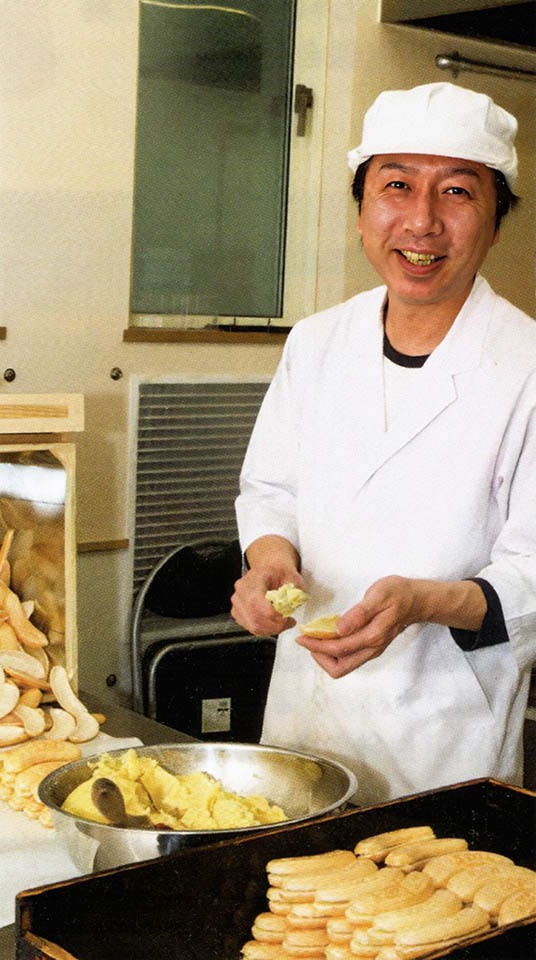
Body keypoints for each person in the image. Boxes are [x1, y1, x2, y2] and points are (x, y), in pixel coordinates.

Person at [231, 81, 536, 804]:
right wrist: (268, 565)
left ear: (496, 223)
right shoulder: (317, 342)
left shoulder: (525, 363)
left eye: (457, 192)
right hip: (305, 711)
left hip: (444, 733)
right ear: (363, 209)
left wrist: (420, 602)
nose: (422, 221)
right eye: (396, 186)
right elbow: (270, 491)